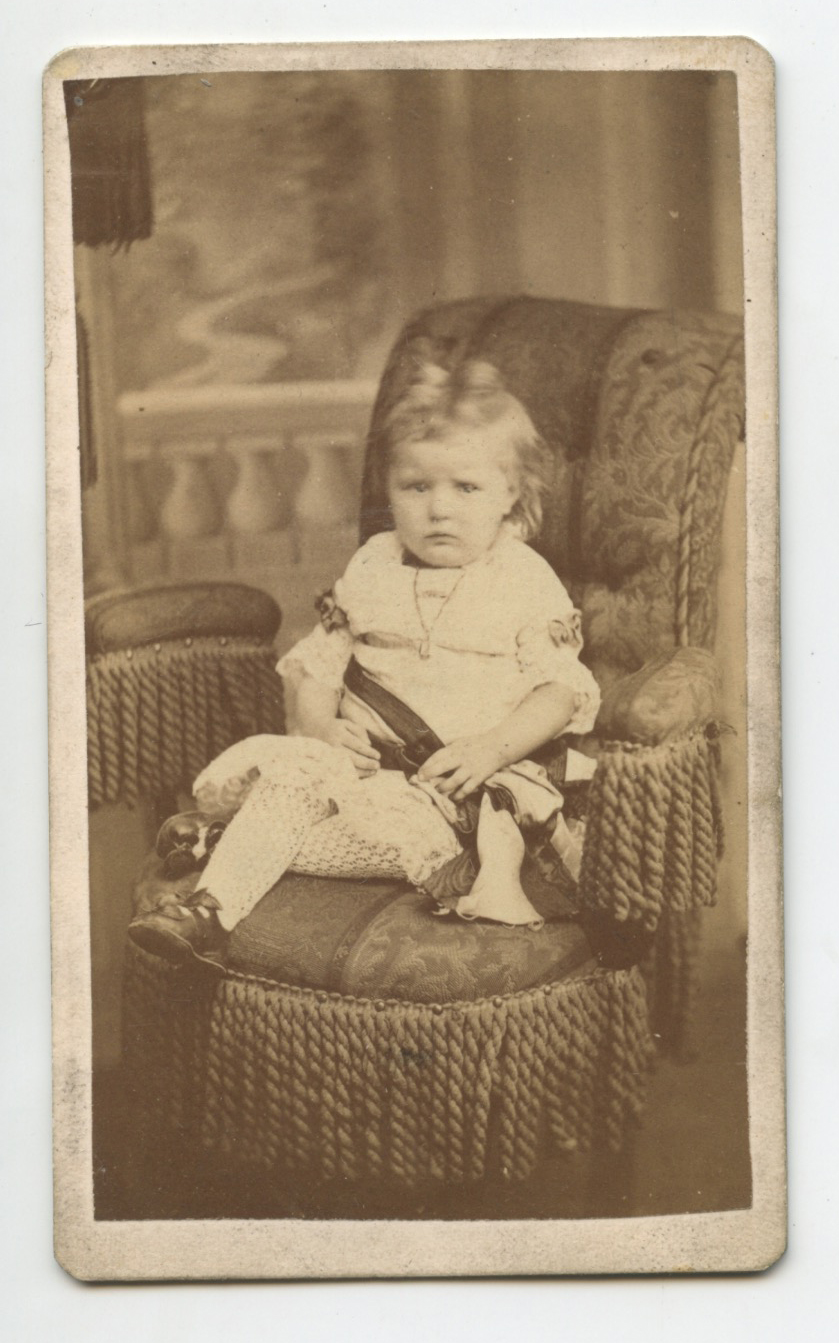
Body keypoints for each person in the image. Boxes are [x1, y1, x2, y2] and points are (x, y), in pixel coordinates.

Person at [128, 358, 600, 970]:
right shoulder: (374, 564)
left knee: (399, 845)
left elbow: (559, 690)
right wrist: (322, 726)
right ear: (389, 487)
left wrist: (493, 747)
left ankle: (227, 842)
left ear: (510, 492)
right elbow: (319, 666)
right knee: (293, 778)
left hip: (455, 789)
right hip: (357, 768)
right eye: (416, 487)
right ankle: (209, 912)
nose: (439, 509)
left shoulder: (522, 577)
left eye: (466, 488)